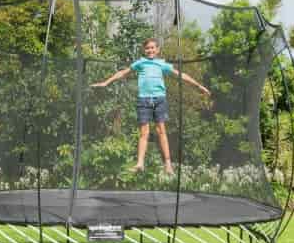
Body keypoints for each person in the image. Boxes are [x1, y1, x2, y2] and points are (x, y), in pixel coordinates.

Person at [90, 38, 211, 174]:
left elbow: (180, 75)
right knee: (144, 133)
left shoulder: (162, 64)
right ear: (144, 50)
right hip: (144, 101)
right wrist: (106, 82)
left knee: (161, 131)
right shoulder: (140, 63)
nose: (150, 50)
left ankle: (168, 164)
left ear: (157, 50)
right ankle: (140, 163)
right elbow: (123, 73)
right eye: (147, 48)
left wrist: (198, 86)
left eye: (153, 48)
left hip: (159, 100)